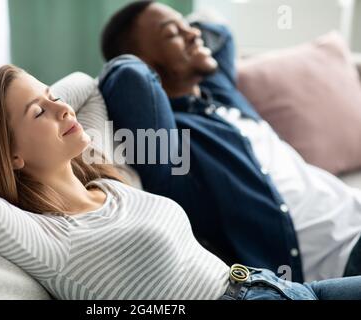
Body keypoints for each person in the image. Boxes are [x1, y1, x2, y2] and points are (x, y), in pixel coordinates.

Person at [0, 64, 361, 300]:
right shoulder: (48, 237)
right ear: (9, 154)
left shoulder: (104, 179)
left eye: (53, 99)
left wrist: (39, 102)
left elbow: (87, 86)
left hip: (284, 288)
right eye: (40, 113)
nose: (63, 110)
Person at [99, 0, 361, 283]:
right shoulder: (173, 147)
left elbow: (220, 32)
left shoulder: (220, 94)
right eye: (172, 34)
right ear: (147, 63)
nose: (193, 34)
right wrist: (136, 59)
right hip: (336, 259)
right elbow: (127, 77)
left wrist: (180, 34)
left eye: (186, 26)